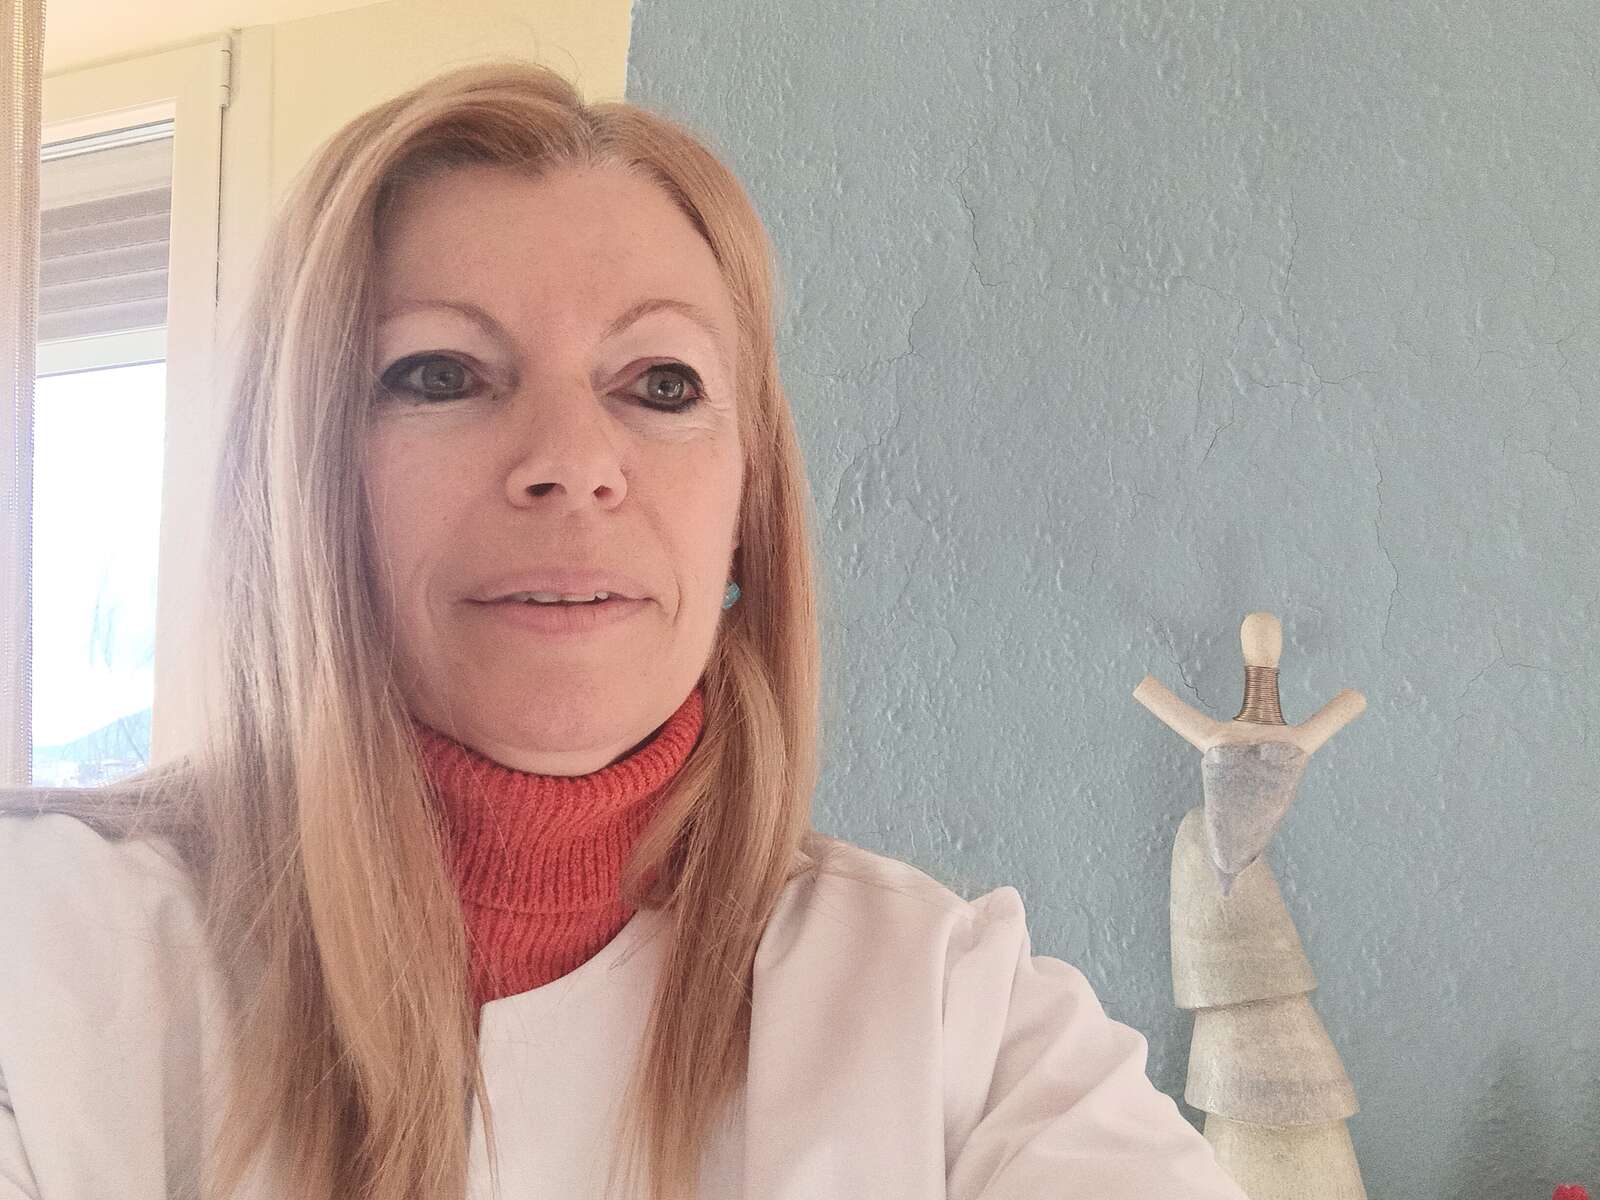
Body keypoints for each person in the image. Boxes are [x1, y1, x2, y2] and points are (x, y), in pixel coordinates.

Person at [0, 60, 1250, 1200]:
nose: (571, 462)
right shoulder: (49, 953)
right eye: (439, 374)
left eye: (661, 384)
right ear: (304, 475)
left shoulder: (956, 1016)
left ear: (746, 511)